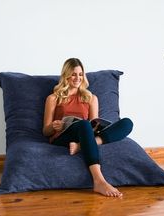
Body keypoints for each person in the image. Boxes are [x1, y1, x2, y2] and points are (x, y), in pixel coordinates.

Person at [43, 58, 133, 197]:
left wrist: (95, 128)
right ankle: (99, 180)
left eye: (80, 74)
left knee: (127, 123)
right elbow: (45, 130)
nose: (77, 78)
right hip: (62, 136)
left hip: (84, 134)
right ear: (66, 75)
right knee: (84, 124)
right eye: (73, 74)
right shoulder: (53, 98)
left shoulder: (91, 98)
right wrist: (55, 127)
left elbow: (93, 123)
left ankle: (80, 146)